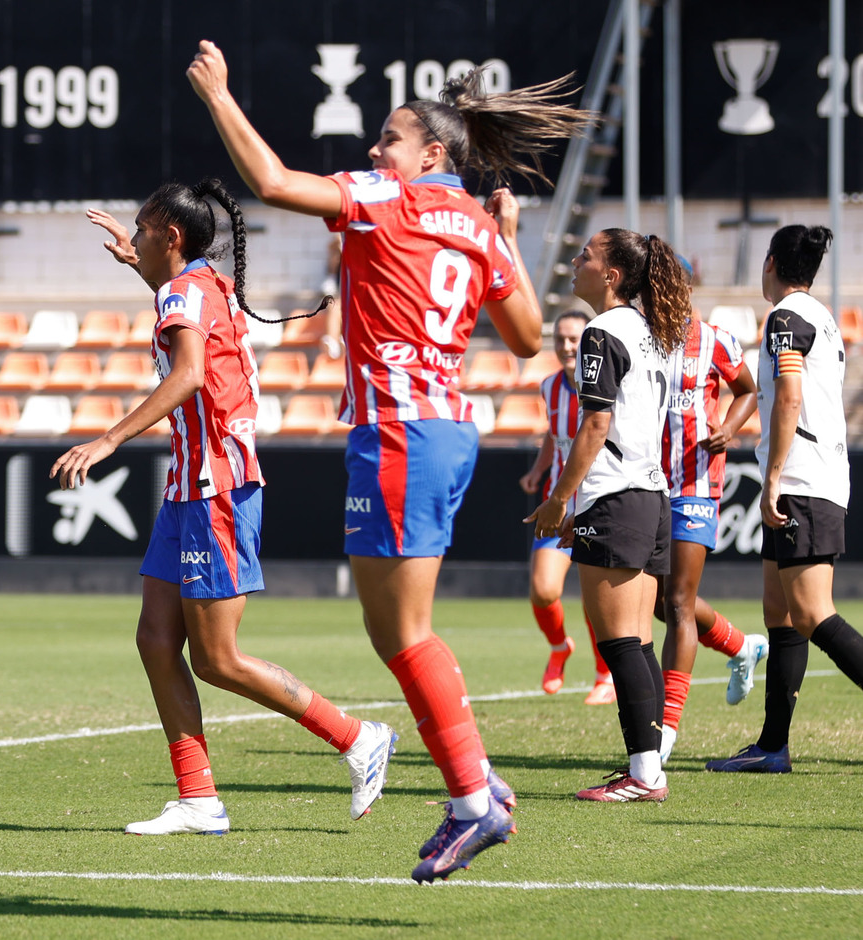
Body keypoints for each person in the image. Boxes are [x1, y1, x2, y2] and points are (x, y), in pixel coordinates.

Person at [187, 39, 590, 880]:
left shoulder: (387, 197)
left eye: (388, 140)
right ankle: (474, 778)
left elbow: (271, 185)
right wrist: (501, 242)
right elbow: (522, 340)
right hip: (442, 429)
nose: (375, 153)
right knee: (394, 631)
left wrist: (221, 96)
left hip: (403, 433)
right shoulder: (477, 224)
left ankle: (472, 801)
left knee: (402, 634)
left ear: (430, 154)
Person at [51, 179, 396, 835]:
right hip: (188, 489)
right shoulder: (202, 285)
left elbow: (189, 375)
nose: (137, 239)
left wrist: (108, 438)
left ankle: (356, 737)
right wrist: (139, 268)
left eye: (144, 232)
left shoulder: (186, 291)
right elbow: (182, 317)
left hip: (215, 491)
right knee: (156, 639)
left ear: (171, 238)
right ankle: (198, 799)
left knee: (216, 659)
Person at [526, 228, 688, 802]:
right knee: (637, 640)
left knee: (619, 641)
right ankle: (648, 767)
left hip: (618, 496)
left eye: (586, 256)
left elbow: (595, 424)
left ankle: (645, 775)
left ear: (611, 275)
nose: (576, 261)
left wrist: (559, 500)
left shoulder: (603, 330)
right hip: (648, 496)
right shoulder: (648, 330)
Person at [706, 224, 863, 773]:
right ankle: (772, 746)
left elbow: (790, 396)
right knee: (781, 612)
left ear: (769, 261)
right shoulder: (818, 315)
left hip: (802, 480)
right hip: (815, 476)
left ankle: (773, 745)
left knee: (814, 613)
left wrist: (771, 476)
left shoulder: (786, 317)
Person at [656, 263, 765, 762]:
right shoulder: (641, 340)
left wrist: (730, 427)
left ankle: (664, 732)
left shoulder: (715, 341)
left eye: (669, 288)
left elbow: (747, 389)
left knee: (677, 600)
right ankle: (741, 646)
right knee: (661, 600)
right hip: (647, 486)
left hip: (696, 484)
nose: (660, 298)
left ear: (686, 289)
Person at [519, 309, 616, 705]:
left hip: (598, 499)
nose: (566, 345)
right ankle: (560, 647)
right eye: (560, 338)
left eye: (574, 338)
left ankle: (604, 673)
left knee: (596, 599)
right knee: (543, 590)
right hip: (559, 503)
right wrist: (537, 471)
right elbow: (553, 434)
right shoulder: (549, 387)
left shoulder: (607, 382)